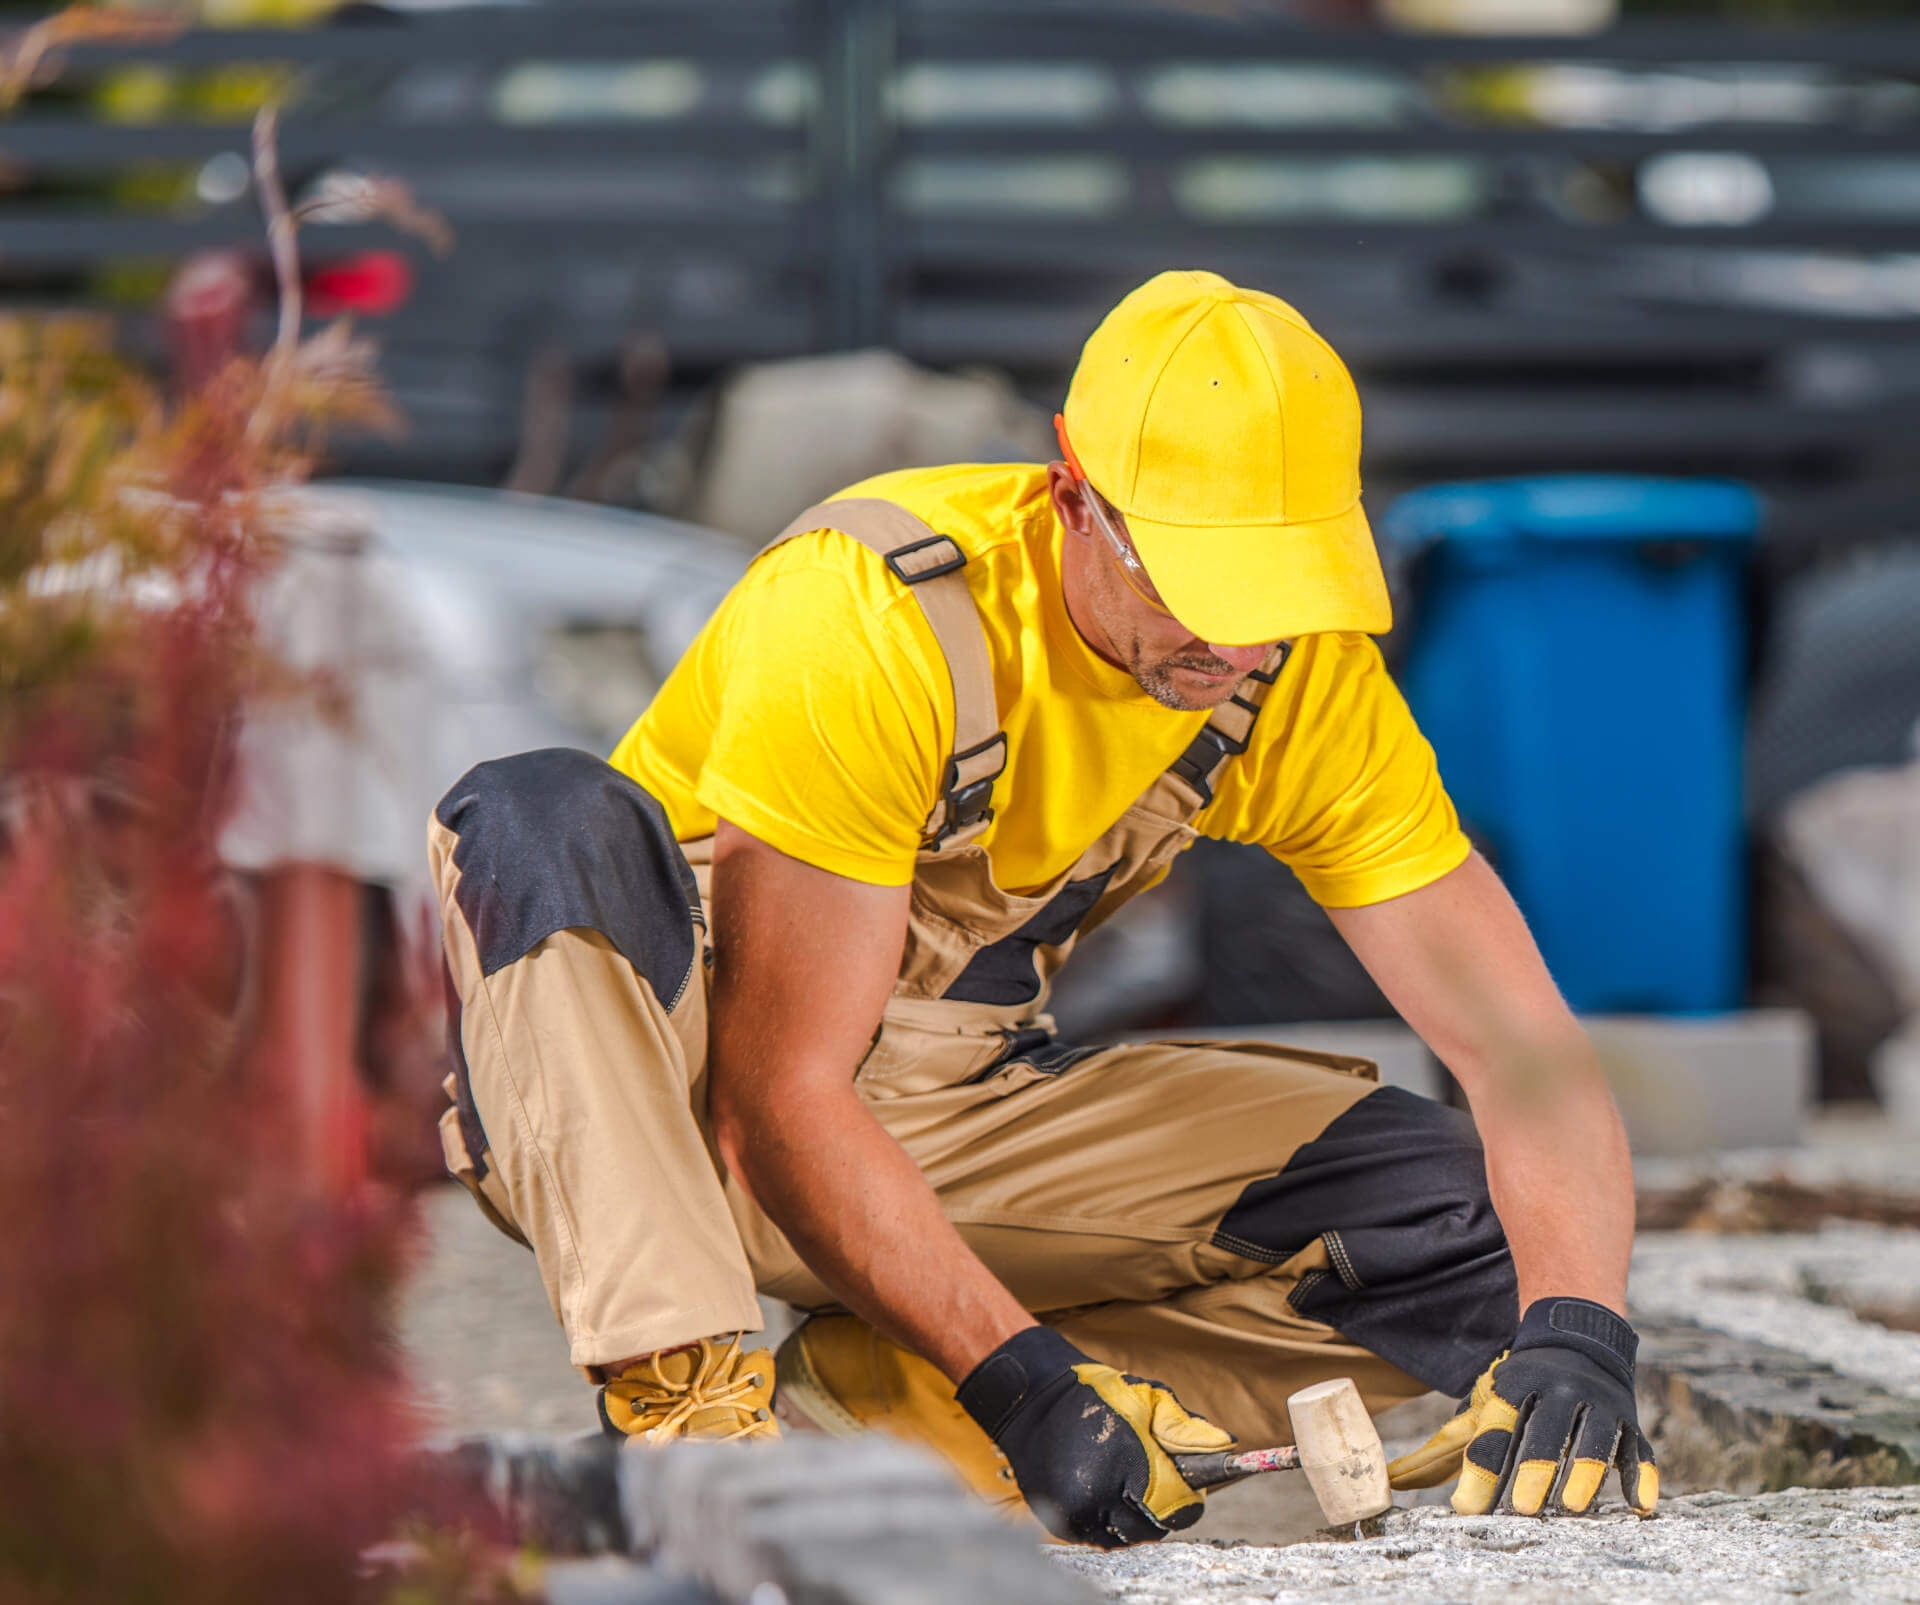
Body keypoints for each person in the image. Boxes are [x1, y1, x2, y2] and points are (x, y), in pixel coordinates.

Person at [428, 271, 1657, 1548]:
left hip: (948, 1110)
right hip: (666, 1106)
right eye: (1203, 588)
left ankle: (863, 1427)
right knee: (536, 810)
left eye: (1277, 592)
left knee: (1472, 1235)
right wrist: (1025, 1377)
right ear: (1075, 493)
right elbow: (773, 1097)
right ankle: (685, 1437)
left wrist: (1582, 1335)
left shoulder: (1297, 681)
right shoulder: (870, 614)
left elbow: (1526, 1058)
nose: (1240, 650)